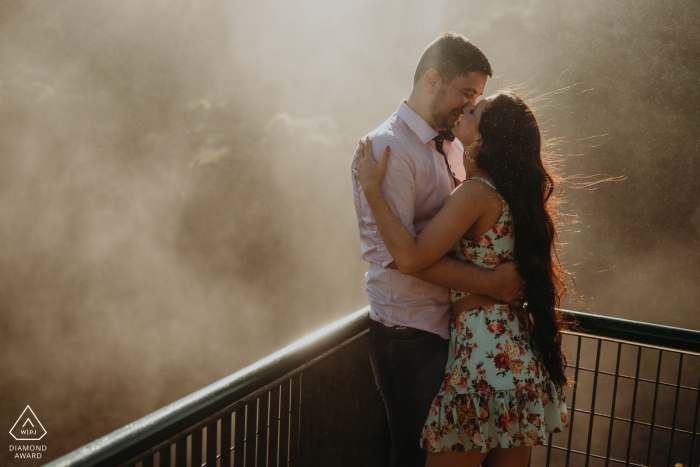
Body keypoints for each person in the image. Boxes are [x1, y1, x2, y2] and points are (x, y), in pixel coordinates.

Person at [353, 90, 571, 466]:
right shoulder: (512, 194)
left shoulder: (476, 193)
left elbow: (411, 256)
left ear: (483, 137)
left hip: (482, 364)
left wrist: (372, 190)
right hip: (518, 360)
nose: (464, 112)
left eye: (474, 111)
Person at [350, 33, 525, 467]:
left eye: (477, 99)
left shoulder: (459, 145)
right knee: (418, 453)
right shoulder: (388, 148)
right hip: (409, 331)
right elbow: (402, 258)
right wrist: (491, 283)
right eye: (466, 93)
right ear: (432, 79)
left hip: (455, 330)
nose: (469, 107)